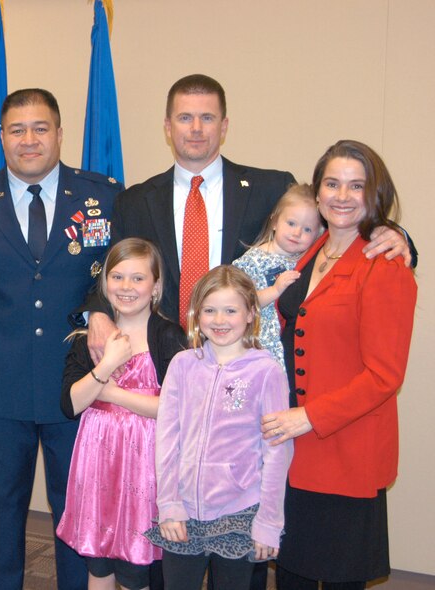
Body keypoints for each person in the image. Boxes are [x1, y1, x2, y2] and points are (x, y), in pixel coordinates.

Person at [0, 88, 123, 590]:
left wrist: (97, 311)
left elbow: (117, 276)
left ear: (60, 134)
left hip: (76, 380)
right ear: (0, 137)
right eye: (17, 129)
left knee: (74, 506)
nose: (29, 140)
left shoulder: (104, 196)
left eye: (40, 128)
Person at [87, 74, 411, 346]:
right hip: (164, 362)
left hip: (250, 361)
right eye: (185, 118)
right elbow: (109, 271)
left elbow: (338, 221)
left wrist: (392, 232)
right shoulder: (133, 202)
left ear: (224, 126)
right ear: (168, 127)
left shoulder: (272, 189)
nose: (196, 128)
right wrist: (99, 313)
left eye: (208, 118)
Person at [261, 140, 417, 589]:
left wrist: (308, 417)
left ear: (375, 194)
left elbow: (385, 376)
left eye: (356, 186)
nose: (342, 196)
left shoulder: (385, 266)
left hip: (345, 450)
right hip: (294, 449)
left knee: (340, 578)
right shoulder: (314, 246)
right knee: (291, 574)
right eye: (332, 183)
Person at [144, 265, 292, 590]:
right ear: (197, 313)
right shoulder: (184, 365)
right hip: (183, 509)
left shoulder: (266, 372)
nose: (219, 320)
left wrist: (269, 521)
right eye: (210, 310)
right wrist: (168, 504)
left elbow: (277, 451)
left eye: (230, 310)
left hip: (239, 511)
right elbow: (167, 439)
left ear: (251, 313)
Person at [57, 238, 186, 590]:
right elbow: (70, 403)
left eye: (138, 278)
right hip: (98, 464)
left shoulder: (168, 336)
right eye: (117, 277)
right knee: (98, 565)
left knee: (135, 569)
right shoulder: (90, 340)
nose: (126, 287)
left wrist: (111, 392)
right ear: (104, 283)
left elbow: (176, 410)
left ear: (156, 286)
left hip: (146, 467)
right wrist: (107, 366)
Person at [233, 184, 322, 367]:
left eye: (307, 230)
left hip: (294, 350)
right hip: (258, 348)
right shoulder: (253, 260)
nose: (297, 233)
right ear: (275, 222)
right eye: (291, 223)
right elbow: (240, 303)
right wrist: (275, 290)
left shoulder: (309, 263)